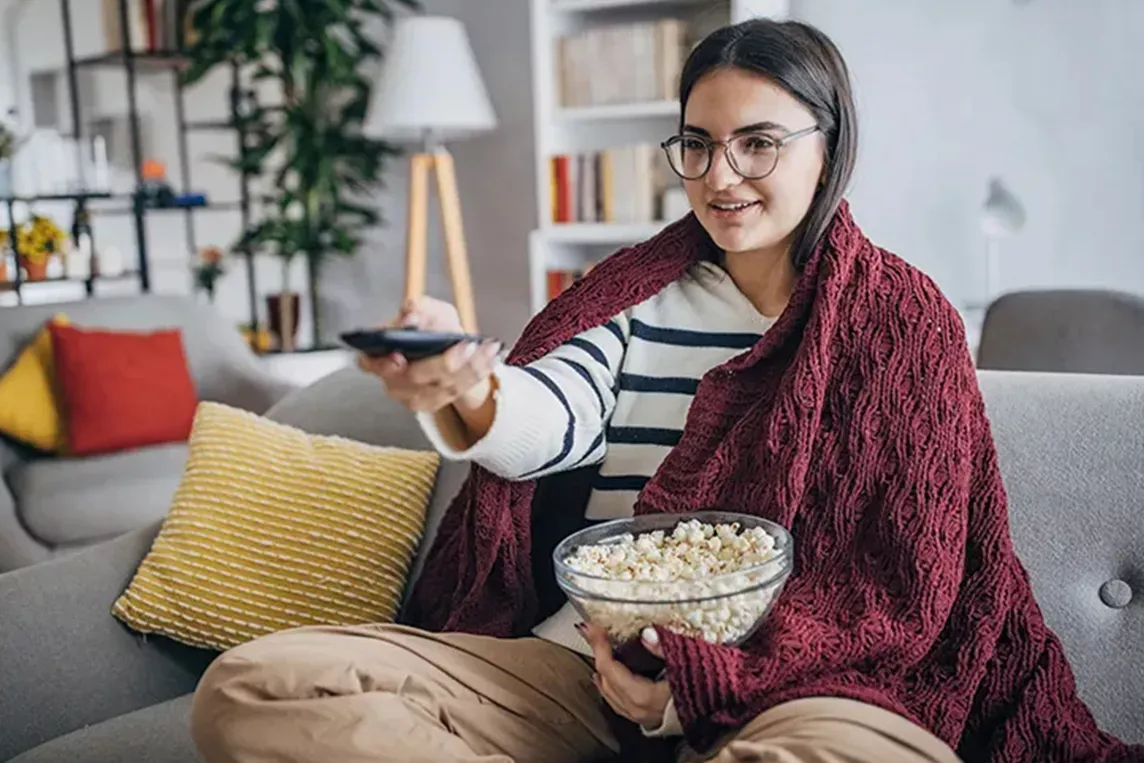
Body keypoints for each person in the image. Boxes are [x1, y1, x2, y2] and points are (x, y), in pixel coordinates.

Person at [190, 18, 1142, 763]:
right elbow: (546, 418)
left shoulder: (904, 321)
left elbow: (902, 588)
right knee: (250, 690)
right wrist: (471, 388)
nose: (720, 176)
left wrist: (697, 689)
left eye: (758, 144)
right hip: (579, 667)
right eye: (697, 143)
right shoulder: (634, 294)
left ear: (830, 143)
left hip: (794, 686)